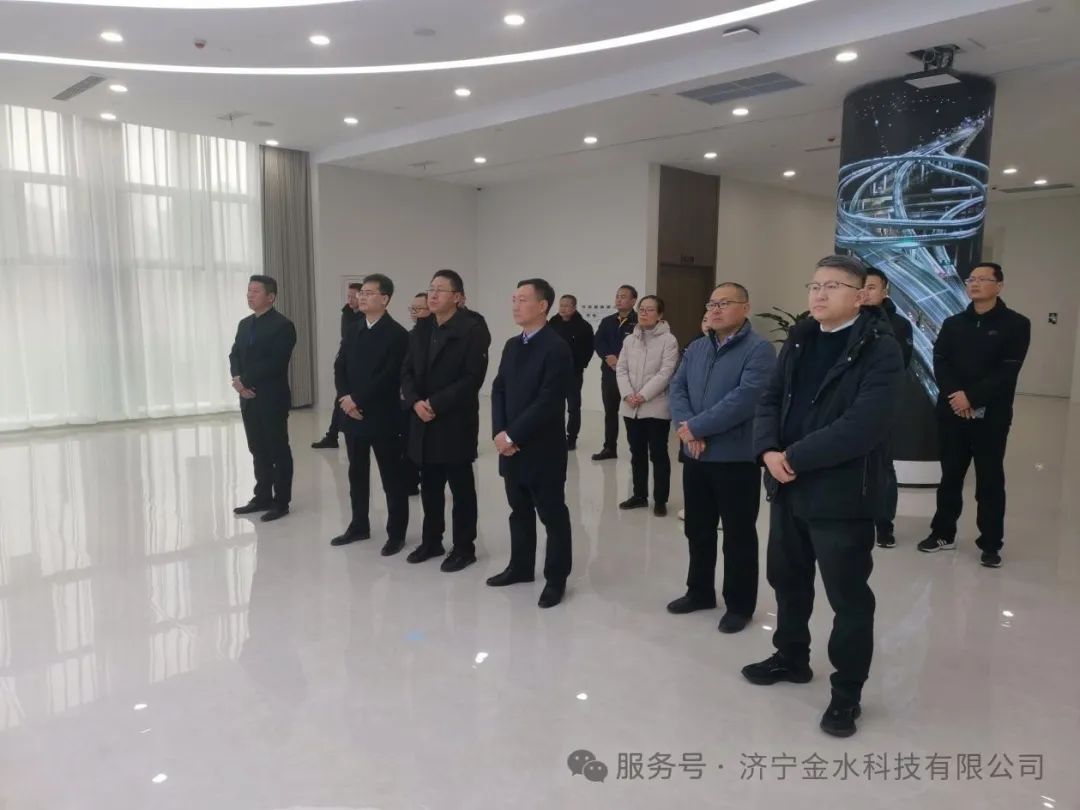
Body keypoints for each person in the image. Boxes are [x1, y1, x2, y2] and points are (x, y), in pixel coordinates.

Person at [744, 255, 903, 738]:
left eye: (832, 286)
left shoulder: (880, 348)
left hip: (841, 495)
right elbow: (770, 398)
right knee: (787, 580)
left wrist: (793, 456)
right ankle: (791, 657)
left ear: (861, 295)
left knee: (848, 598)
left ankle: (846, 693)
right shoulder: (801, 337)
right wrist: (767, 451)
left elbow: (864, 425)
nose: (819, 294)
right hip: (787, 486)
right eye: (814, 285)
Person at [668, 284, 775, 632]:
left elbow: (746, 399)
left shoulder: (759, 350)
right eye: (711, 304)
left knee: (738, 535)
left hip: (735, 457)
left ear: (745, 308)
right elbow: (678, 388)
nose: (714, 310)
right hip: (695, 455)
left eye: (724, 304)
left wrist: (697, 427)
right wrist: (687, 428)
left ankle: (740, 605)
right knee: (697, 529)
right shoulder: (697, 347)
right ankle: (699, 592)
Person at [920, 262, 1030, 568]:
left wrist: (972, 397)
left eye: (983, 279)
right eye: (971, 279)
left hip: (991, 416)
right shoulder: (953, 323)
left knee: (989, 480)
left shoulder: (1016, 324)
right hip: (953, 412)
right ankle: (943, 533)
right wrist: (957, 396)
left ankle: (991, 543)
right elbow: (940, 360)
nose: (975, 283)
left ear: (999, 286)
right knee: (950, 476)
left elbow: (1008, 370)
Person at [488, 278, 574, 609]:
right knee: (519, 510)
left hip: (542, 448)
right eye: (513, 299)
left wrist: (513, 435)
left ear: (542, 306)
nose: (515, 305)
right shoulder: (512, 345)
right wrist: (500, 432)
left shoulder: (556, 347)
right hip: (510, 446)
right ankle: (521, 567)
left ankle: (556, 578)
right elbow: (498, 389)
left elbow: (548, 400)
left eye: (523, 299)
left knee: (552, 514)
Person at [401, 269, 491, 571]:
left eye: (440, 289)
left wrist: (435, 403)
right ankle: (432, 541)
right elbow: (406, 371)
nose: (433, 294)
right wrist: (415, 402)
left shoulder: (472, 329)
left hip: (454, 420)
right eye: (431, 289)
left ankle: (464, 547)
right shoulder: (422, 328)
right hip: (422, 418)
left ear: (458, 297)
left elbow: (472, 378)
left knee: (461, 487)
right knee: (430, 486)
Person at [330, 273, 410, 556]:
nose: (361, 297)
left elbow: (389, 376)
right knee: (356, 473)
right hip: (352, 415)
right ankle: (358, 525)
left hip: (383, 416)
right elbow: (339, 366)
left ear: (385, 299)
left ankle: (396, 534)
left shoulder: (398, 334)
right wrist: (345, 398)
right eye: (361, 293)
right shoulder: (353, 329)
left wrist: (357, 399)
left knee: (392, 478)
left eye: (368, 293)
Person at [230, 275, 297, 523]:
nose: (250, 295)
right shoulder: (244, 323)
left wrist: (245, 381)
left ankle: (281, 501)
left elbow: (275, 361)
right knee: (257, 448)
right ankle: (262, 496)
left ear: (271, 297)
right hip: (248, 397)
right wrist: (238, 379)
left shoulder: (283, 326)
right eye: (249, 290)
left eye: (255, 291)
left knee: (277, 449)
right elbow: (234, 354)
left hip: (271, 396)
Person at [862, 267, 914, 548]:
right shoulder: (846, 320)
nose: (865, 292)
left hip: (881, 407)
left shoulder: (899, 325)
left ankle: (884, 525)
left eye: (872, 287)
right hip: (845, 408)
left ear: (885, 291)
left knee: (882, 467)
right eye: (861, 287)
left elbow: (899, 366)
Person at [615, 295, 679, 516]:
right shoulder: (629, 340)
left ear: (660, 315)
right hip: (630, 406)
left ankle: (660, 499)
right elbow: (621, 369)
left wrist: (642, 395)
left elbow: (666, 373)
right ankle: (639, 495)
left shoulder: (669, 340)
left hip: (656, 406)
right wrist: (628, 394)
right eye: (641, 309)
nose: (644, 313)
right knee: (637, 453)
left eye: (650, 310)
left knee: (658, 454)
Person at [313, 284, 363, 449]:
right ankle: (332, 436)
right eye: (348, 296)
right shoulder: (346, 313)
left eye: (354, 296)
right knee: (340, 400)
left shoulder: (365, 315)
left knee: (348, 401)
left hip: (360, 364)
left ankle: (335, 435)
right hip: (347, 361)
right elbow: (345, 337)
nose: (350, 299)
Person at [591, 285, 638, 461]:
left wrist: (620, 360)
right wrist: (607, 357)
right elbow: (598, 342)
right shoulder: (607, 321)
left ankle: (636, 450)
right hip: (610, 373)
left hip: (630, 375)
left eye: (623, 296)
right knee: (610, 412)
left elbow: (639, 347)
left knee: (631, 414)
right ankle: (609, 448)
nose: (619, 299)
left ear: (633, 300)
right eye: (617, 296)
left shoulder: (638, 322)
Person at [548, 294, 594, 450]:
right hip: (553, 373)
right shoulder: (552, 323)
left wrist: (579, 365)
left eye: (567, 305)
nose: (563, 308)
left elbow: (589, 349)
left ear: (574, 308)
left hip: (573, 373)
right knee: (554, 405)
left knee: (573, 406)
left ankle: (572, 437)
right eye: (561, 305)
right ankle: (555, 434)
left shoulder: (584, 326)